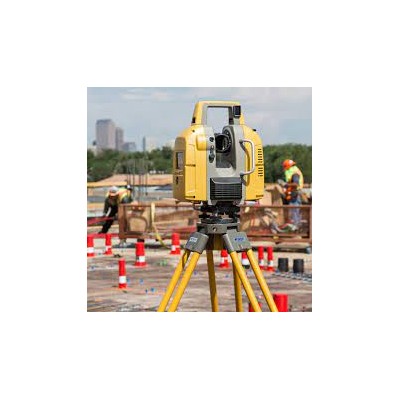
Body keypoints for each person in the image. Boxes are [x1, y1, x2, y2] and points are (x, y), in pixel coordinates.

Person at [281, 159, 304, 227]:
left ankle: (296, 226)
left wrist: (285, 184)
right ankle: (296, 225)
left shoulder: (294, 173)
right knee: (294, 209)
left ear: (288, 166)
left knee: (295, 209)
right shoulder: (295, 171)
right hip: (294, 193)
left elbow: (295, 184)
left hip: (295, 193)